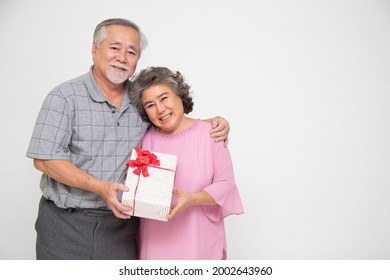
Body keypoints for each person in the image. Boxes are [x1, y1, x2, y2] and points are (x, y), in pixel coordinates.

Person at [26, 18, 230, 260]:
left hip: (122, 227)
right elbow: (45, 160)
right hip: (67, 223)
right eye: (114, 47)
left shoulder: (141, 98)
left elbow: (169, 120)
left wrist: (210, 123)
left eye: (131, 52)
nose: (122, 57)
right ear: (94, 49)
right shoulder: (64, 97)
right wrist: (99, 187)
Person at [129, 66, 244, 260]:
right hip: (154, 241)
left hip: (198, 241)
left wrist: (192, 198)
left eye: (164, 98)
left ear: (179, 95)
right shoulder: (144, 139)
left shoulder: (211, 134)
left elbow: (226, 185)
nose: (160, 109)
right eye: (150, 105)